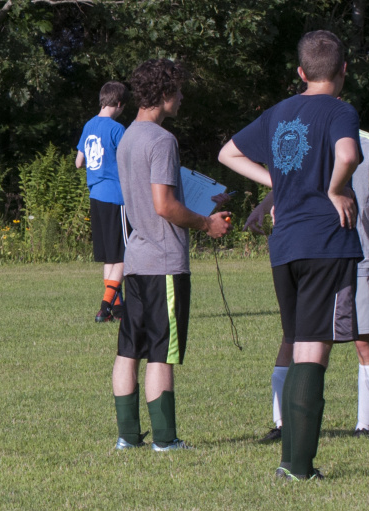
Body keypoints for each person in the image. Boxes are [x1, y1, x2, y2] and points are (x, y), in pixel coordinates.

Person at [219, 30, 362, 480]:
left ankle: (292, 460)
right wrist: (335, 188)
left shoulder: (279, 112)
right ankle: (297, 466)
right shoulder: (341, 111)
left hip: (284, 249)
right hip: (326, 240)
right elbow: (348, 152)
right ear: (343, 71)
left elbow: (228, 153)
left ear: (301, 73)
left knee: (299, 340)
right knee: (314, 349)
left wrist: (275, 184)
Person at [111, 59, 231, 452]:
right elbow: (164, 205)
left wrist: (193, 200)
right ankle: (165, 439)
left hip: (136, 260)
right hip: (164, 261)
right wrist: (206, 224)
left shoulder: (128, 137)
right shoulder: (162, 141)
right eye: (178, 90)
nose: (182, 97)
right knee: (162, 353)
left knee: (129, 350)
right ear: (164, 95)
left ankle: (127, 437)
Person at [249, 129, 369, 442]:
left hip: (357, 256)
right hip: (309, 255)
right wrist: (264, 206)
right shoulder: (305, 137)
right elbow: (289, 182)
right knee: (294, 339)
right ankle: (282, 424)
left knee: (364, 339)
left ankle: (364, 427)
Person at [76, 81, 130, 323]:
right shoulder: (117, 128)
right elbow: (132, 158)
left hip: (95, 196)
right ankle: (105, 305)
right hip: (116, 197)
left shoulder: (89, 125)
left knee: (109, 256)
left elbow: (79, 162)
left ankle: (117, 311)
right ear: (119, 104)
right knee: (123, 255)